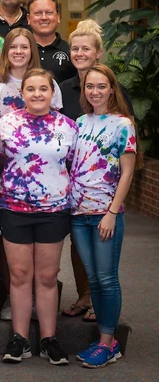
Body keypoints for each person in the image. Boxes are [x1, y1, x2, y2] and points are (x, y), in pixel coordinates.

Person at [0, 68, 76, 366]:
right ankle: (19, 338)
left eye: (43, 88)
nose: (37, 94)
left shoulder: (68, 126)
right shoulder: (7, 123)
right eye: (31, 89)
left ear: (52, 92)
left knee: (46, 277)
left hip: (54, 210)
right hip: (13, 208)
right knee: (19, 276)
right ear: (23, 93)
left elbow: (73, 165)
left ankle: (48, 338)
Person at [59, 20, 133, 323]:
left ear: (98, 53)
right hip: (74, 195)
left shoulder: (117, 101)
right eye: (74, 48)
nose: (79, 53)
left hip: (104, 198)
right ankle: (85, 296)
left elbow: (125, 155)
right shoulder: (64, 91)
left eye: (85, 48)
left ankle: (102, 317)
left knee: (104, 267)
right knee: (82, 255)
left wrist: (114, 208)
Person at [69, 64, 138, 368]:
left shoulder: (123, 124)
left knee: (107, 279)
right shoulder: (80, 122)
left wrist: (112, 213)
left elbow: (127, 174)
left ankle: (109, 345)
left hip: (104, 214)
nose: (94, 91)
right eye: (89, 86)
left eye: (101, 86)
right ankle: (102, 340)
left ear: (112, 89)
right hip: (78, 213)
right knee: (93, 279)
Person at [0, 28, 63, 118]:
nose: (18, 51)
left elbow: (56, 121)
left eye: (24, 47)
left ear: (32, 50)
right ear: (6, 51)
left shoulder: (49, 84)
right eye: (13, 47)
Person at [27, 0, 77, 84]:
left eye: (49, 13)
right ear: (29, 19)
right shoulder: (20, 51)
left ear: (58, 17)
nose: (44, 17)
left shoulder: (71, 51)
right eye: (38, 13)